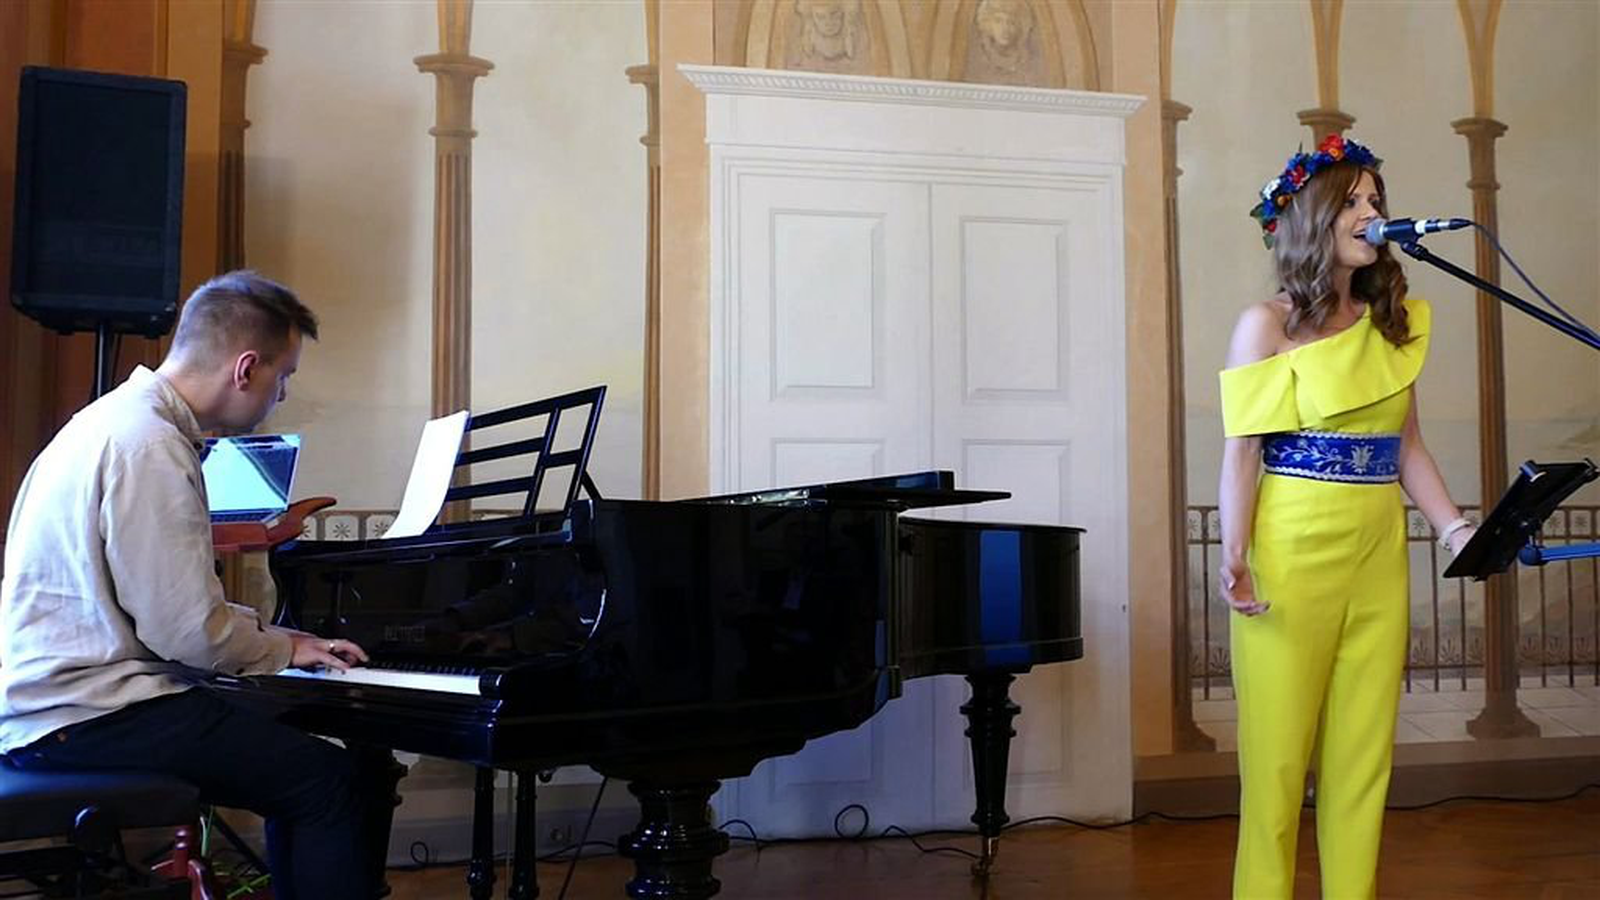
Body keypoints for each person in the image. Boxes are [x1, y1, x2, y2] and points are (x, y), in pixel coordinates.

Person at [0, 271, 391, 900]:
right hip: (88, 716)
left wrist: (275, 639)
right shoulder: (151, 444)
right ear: (246, 369)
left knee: (312, 757)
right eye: (283, 377)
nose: (281, 395)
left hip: (54, 706)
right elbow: (186, 632)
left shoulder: (108, 422)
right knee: (330, 782)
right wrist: (283, 649)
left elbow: (158, 601)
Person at [1218, 135, 1477, 899]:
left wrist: (1455, 529)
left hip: (1377, 554)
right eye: (1354, 201)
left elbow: (1408, 446)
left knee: (1363, 762)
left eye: (1376, 200)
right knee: (1275, 766)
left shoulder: (1390, 325)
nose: (1371, 212)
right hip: (1289, 555)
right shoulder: (1264, 325)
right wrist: (1234, 554)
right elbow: (1243, 453)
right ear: (1313, 218)